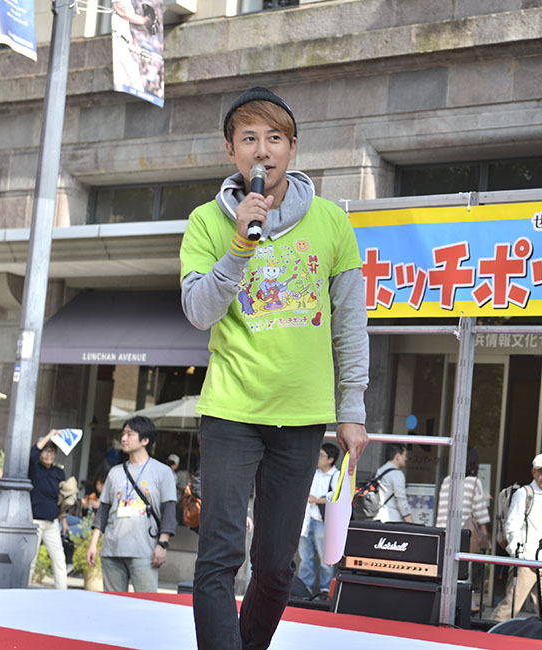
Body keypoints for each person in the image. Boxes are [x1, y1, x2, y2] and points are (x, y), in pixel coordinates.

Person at [179, 85, 369, 650]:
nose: (262, 151)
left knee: (277, 567)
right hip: (231, 410)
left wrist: (352, 408)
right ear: (231, 151)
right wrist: (239, 243)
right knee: (219, 556)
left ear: (292, 146)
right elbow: (199, 311)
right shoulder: (206, 222)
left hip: (302, 415)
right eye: (249, 139)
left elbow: (349, 324)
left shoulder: (332, 222)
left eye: (274, 138)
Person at [86, 416, 177, 593]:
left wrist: (162, 544)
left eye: (129, 434)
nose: (123, 438)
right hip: (112, 551)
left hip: (145, 551)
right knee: (112, 604)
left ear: (145, 440)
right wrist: (93, 544)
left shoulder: (162, 472)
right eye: (123, 434)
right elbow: (103, 511)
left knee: (146, 604)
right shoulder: (114, 472)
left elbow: (169, 511)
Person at [492, 452, 542, 622]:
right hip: (526, 561)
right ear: (534, 472)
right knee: (511, 606)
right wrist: (519, 554)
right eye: (541, 471)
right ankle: (490, 632)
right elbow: (512, 525)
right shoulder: (524, 493)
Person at [436, 447, 491, 609]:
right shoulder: (474, 482)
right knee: (463, 570)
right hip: (462, 534)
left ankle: (446, 604)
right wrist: (485, 536)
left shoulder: (447, 480)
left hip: (443, 532)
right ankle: (465, 604)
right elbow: (480, 511)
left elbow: (441, 509)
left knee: (447, 570)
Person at [28, 431, 69, 589]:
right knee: (31, 559)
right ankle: (22, 591)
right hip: (35, 521)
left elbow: (61, 500)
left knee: (59, 559)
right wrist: (50, 435)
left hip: (52, 522)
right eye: (45, 451)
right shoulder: (34, 468)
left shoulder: (58, 472)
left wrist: (64, 520)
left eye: (51, 451)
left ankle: (62, 592)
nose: (48, 454)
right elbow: (33, 453)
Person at [298, 442, 340, 594]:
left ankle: (325, 590)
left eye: (322, 455)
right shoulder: (313, 473)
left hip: (323, 522)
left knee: (325, 559)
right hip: (306, 519)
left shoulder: (336, 475)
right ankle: (304, 590)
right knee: (305, 558)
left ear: (331, 459)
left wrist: (317, 500)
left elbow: (337, 499)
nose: (318, 458)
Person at [375, 443, 412, 523]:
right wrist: (410, 521)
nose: (405, 458)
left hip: (378, 516)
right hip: (392, 518)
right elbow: (401, 500)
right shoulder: (397, 473)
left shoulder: (380, 471)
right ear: (397, 456)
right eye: (404, 455)